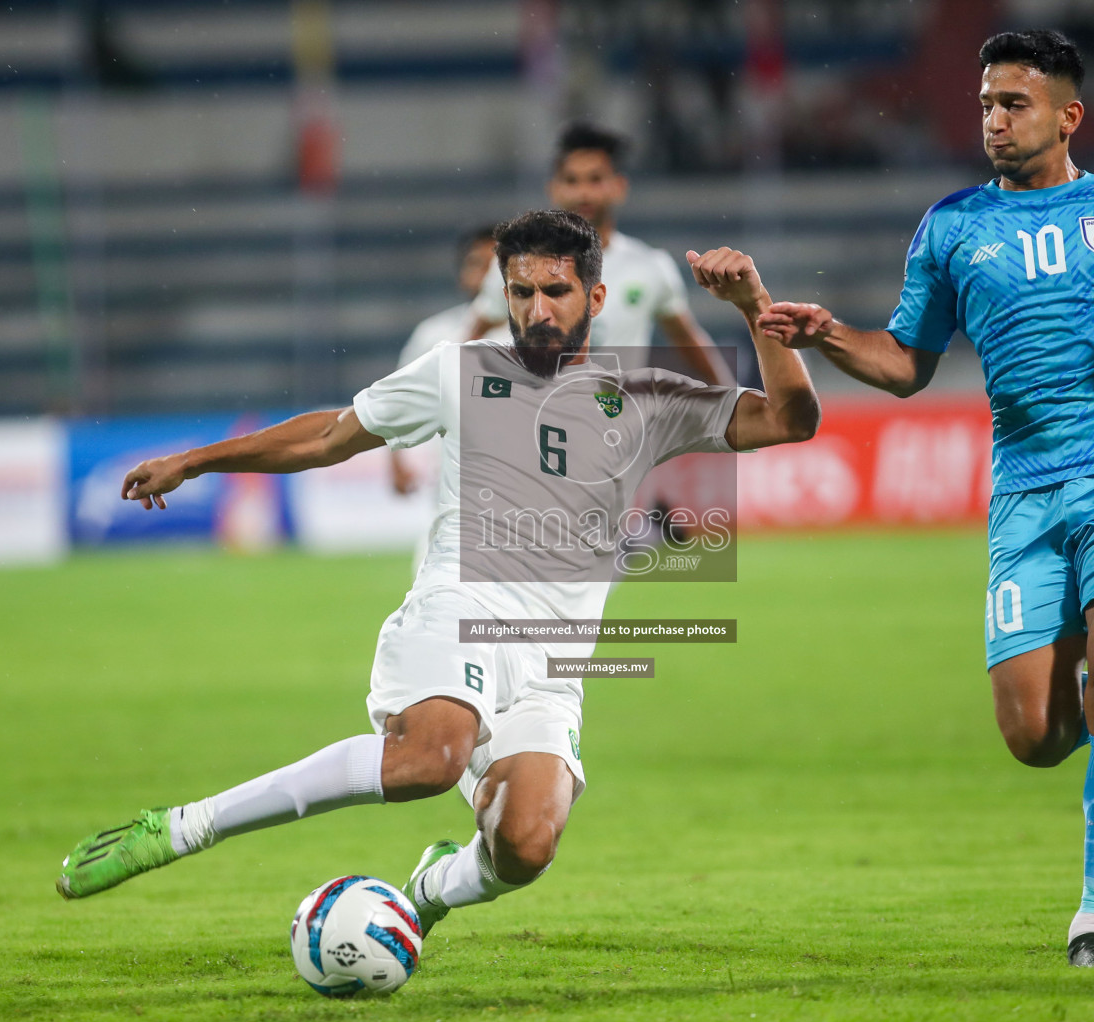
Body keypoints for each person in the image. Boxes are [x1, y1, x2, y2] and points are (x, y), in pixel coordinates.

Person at [54, 212, 819, 950]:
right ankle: (185, 826)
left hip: (554, 663)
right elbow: (328, 435)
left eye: (555, 292)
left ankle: (428, 892)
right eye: (521, 293)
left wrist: (755, 308)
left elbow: (791, 419)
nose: (537, 310)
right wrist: (196, 459)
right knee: (429, 759)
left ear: (596, 298)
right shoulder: (461, 371)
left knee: (526, 845)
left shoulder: (648, 402)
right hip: (460, 604)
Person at [752, 30, 1094, 968]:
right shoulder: (950, 227)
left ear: (1069, 115)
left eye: (1014, 104)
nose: (992, 119)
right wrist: (829, 335)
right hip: (1025, 493)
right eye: (987, 102)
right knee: (1033, 733)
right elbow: (907, 364)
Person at [464, 122, 734, 386]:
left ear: (619, 186)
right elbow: (473, 335)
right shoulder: (521, 268)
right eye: (572, 180)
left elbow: (688, 340)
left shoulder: (651, 266)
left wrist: (731, 395)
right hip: (541, 417)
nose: (583, 193)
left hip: (618, 422)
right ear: (554, 188)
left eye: (595, 179)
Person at [388, 225, 507, 497]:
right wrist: (395, 460)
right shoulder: (434, 332)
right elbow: (397, 397)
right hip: (451, 489)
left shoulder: (533, 334)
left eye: (496, 265)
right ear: (462, 275)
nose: (487, 274)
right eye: (477, 264)